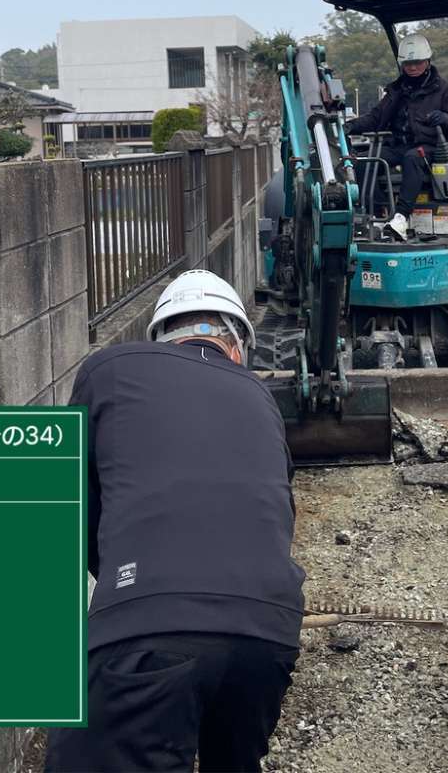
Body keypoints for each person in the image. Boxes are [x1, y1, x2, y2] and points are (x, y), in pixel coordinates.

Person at [44, 269, 305, 773]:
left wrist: (127, 575)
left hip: (147, 628)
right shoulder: (260, 398)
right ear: (238, 346)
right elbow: (277, 516)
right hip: (268, 631)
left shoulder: (109, 370)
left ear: (162, 336)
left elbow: (75, 507)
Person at [347, 34, 448, 240]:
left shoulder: (446, 90)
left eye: (417, 63)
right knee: (365, 161)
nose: (412, 67)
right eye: (408, 63)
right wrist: (350, 126)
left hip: (432, 146)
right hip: (400, 145)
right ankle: (378, 215)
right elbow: (376, 118)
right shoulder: (397, 91)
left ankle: (401, 217)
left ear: (427, 61)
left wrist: (445, 118)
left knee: (412, 157)